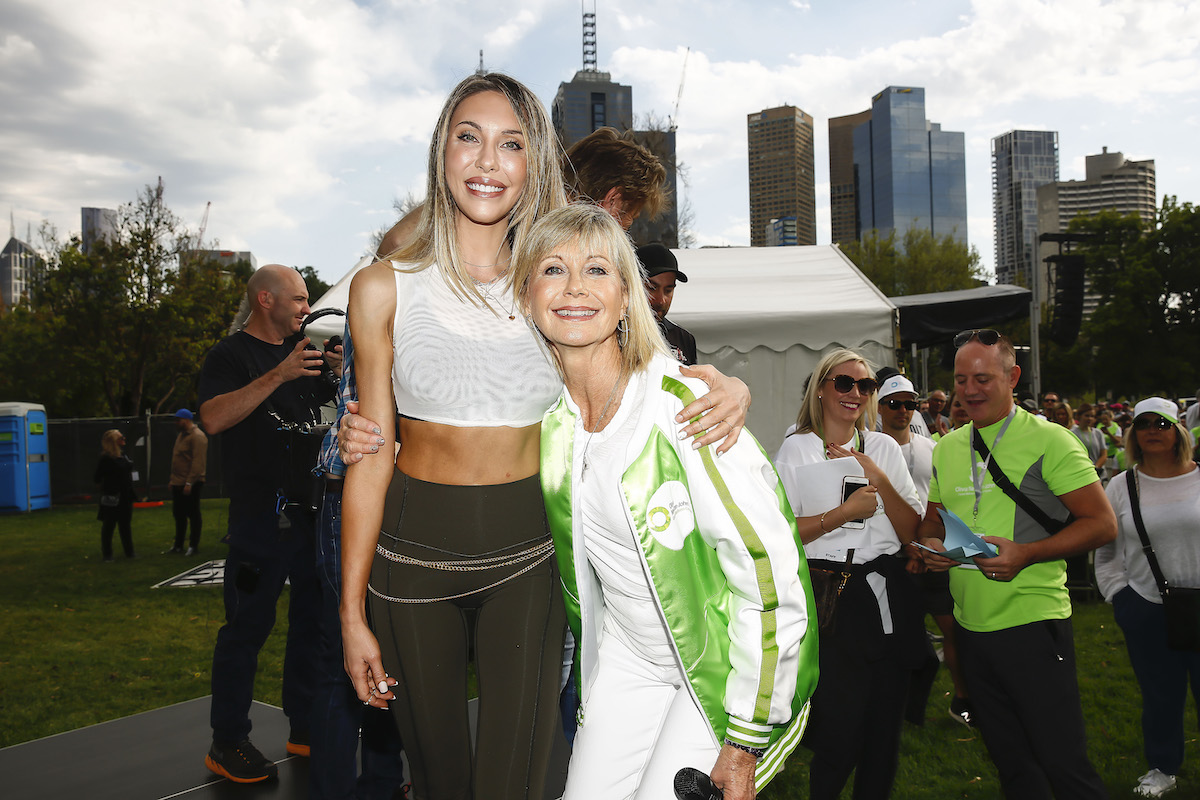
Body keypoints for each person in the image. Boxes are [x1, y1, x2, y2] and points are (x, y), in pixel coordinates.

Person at [338, 73, 753, 800]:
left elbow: (643, 364)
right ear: (443, 152)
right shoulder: (381, 287)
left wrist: (727, 385)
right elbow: (370, 457)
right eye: (469, 138)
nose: (488, 162)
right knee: (436, 778)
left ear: (534, 165)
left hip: (528, 557)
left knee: (522, 777)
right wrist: (349, 614)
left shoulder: (552, 283)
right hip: (407, 561)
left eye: (512, 144)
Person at [513, 201, 816, 800]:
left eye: (597, 270)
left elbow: (770, 568)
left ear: (628, 297)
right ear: (526, 297)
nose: (574, 287)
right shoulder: (551, 422)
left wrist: (746, 735)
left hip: (721, 674)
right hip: (628, 661)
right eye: (552, 269)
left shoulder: (686, 409)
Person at [918, 328, 1117, 800]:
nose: (969, 390)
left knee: (1062, 765)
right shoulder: (947, 446)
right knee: (1013, 766)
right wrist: (934, 548)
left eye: (983, 378)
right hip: (969, 629)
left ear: (1013, 377)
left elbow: (1103, 524)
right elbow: (934, 522)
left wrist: (1027, 553)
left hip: (1032, 621)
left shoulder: (1052, 441)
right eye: (962, 379)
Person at [197, 263, 340, 783]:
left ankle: (303, 727)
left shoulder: (308, 358)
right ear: (265, 300)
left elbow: (331, 423)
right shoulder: (232, 355)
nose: (307, 308)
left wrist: (343, 378)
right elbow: (212, 418)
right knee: (246, 631)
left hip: (311, 519)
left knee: (312, 626)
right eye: (300, 299)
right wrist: (277, 375)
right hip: (260, 522)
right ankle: (227, 741)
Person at [774, 350, 925, 799]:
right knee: (838, 733)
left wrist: (874, 472)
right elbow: (780, 533)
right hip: (828, 600)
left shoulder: (881, 447)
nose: (855, 393)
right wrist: (842, 514)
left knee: (883, 735)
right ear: (821, 387)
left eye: (865, 386)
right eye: (844, 383)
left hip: (883, 594)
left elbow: (910, 530)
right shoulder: (796, 448)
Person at [310, 331, 407, 800]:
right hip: (351, 492)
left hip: (398, 495)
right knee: (346, 653)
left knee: (388, 654)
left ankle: (383, 785)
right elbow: (365, 415)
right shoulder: (381, 287)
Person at [1095, 397, 1200, 799]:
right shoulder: (1121, 486)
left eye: (1162, 423)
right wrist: (1120, 597)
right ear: (1132, 434)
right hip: (1147, 606)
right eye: (1143, 424)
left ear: (1179, 430)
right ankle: (1162, 767)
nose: (1153, 430)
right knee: (1160, 694)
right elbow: (1105, 551)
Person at [877, 374, 973, 727]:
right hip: (893, 558)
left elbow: (940, 504)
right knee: (901, 641)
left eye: (909, 404)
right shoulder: (870, 447)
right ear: (880, 407)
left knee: (953, 631)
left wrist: (929, 547)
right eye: (894, 403)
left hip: (933, 553)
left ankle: (962, 699)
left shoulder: (931, 447)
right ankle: (900, 709)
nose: (903, 411)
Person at [637, 243, 697, 365]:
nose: (661, 300)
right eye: (652, 288)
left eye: (668, 290)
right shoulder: (610, 335)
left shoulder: (684, 339)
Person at [167, 408, 207, 555]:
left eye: (178, 420)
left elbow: (198, 462)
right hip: (178, 482)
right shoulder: (181, 436)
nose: (176, 423)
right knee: (179, 514)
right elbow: (177, 459)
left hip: (191, 483)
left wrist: (189, 482)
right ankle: (178, 545)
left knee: (193, 513)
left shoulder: (197, 436)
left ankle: (193, 545)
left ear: (187, 420)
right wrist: (173, 479)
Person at [94, 429, 135, 561]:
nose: (123, 439)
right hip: (112, 497)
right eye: (120, 437)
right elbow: (97, 478)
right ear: (113, 442)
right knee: (109, 525)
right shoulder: (106, 459)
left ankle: (130, 552)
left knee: (125, 525)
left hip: (125, 495)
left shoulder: (123, 456)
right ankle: (107, 554)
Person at [1071, 403, 1107, 478]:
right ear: (1079, 416)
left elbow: (1104, 454)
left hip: (1098, 473)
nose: (1090, 418)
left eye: (1092, 416)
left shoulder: (1098, 433)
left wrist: (1096, 467)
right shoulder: (1072, 433)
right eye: (1087, 415)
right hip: (1080, 474)